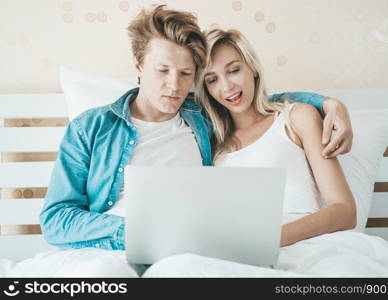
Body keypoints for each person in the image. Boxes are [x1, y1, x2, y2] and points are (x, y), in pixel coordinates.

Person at [38, 5, 352, 277]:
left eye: (186, 74)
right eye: (162, 70)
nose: (174, 86)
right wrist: (137, 232)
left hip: (189, 255)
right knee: (104, 275)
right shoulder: (91, 127)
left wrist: (327, 103)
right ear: (138, 65)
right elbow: (55, 219)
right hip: (110, 248)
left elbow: (260, 105)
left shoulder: (202, 119)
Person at [142, 28, 356, 277]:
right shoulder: (211, 145)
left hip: (306, 247)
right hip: (238, 255)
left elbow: (345, 211)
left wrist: (270, 238)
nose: (227, 86)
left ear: (252, 68)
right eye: (212, 80)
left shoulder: (296, 117)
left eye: (234, 70)